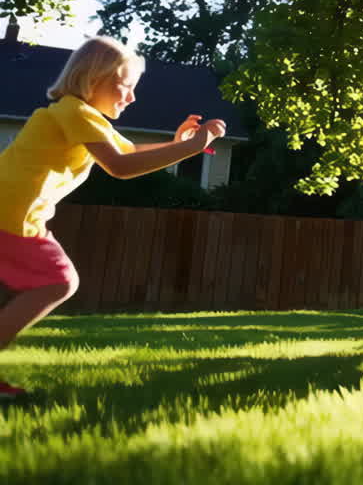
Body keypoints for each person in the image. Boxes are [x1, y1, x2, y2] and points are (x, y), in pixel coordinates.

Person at [0, 37, 225, 399]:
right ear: (93, 80)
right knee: (58, 280)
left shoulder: (84, 117)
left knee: (56, 280)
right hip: (11, 214)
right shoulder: (73, 113)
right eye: (126, 87)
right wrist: (188, 148)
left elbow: (130, 151)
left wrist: (178, 143)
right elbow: (120, 167)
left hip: (15, 213)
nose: (132, 98)